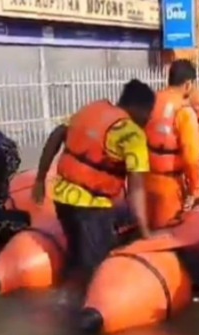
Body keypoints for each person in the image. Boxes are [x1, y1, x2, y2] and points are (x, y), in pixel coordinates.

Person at [31, 79, 155, 284]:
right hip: (91, 207)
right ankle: (85, 298)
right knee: (97, 269)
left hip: (62, 200)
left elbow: (57, 134)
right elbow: (136, 188)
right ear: (139, 108)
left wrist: (40, 179)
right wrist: (145, 232)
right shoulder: (132, 135)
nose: (148, 119)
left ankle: (68, 288)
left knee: (77, 254)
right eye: (148, 114)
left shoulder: (91, 109)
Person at [144, 59, 199, 229]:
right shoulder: (183, 111)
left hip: (145, 180)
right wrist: (192, 191)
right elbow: (191, 158)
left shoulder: (150, 101)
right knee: (166, 233)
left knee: (147, 231)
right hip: (168, 187)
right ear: (188, 84)